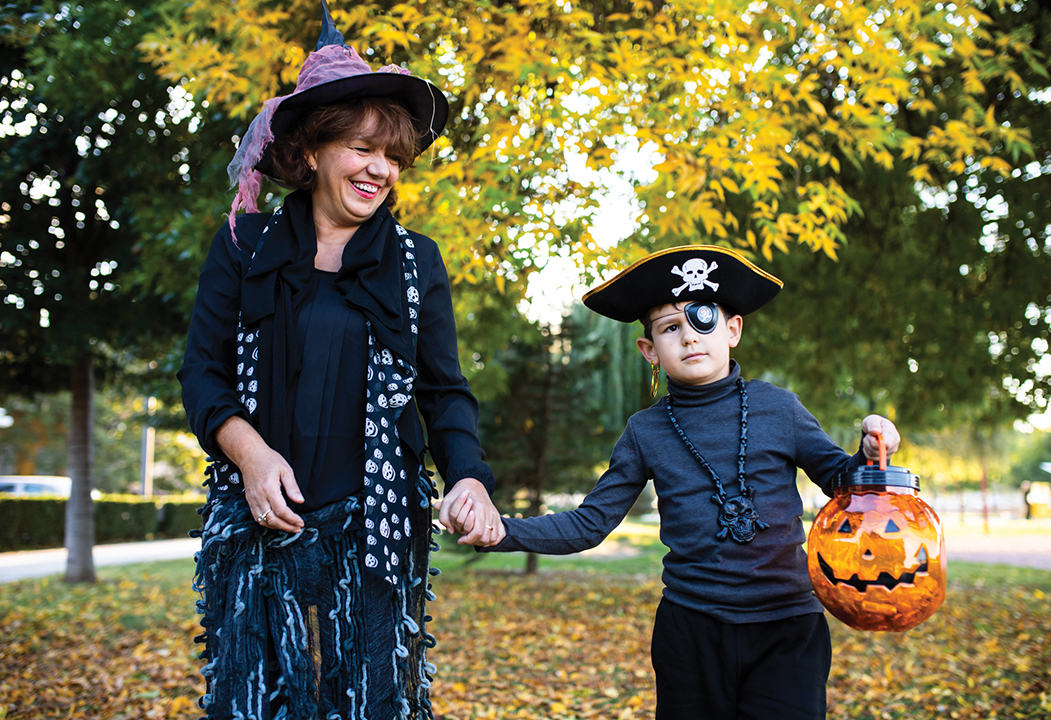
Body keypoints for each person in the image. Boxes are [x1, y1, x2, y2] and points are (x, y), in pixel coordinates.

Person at [177, 5, 504, 718]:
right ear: (313, 152)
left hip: (378, 531)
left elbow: (445, 393)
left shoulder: (417, 262)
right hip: (260, 522)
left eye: (392, 155)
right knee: (258, 701)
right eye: (361, 147)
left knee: (372, 704)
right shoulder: (243, 245)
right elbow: (201, 374)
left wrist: (470, 477)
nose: (380, 168)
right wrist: (251, 455)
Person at [464, 245, 901, 720]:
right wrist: (502, 531)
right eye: (671, 327)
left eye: (703, 319)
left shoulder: (780, 408)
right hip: (690, 633)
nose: (690, 336)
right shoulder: (644, 432)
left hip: (788, 628)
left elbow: (843, 483)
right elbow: (591, 524)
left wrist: (872, 449)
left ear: (732, 329)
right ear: (649, 349)